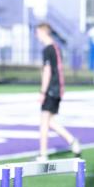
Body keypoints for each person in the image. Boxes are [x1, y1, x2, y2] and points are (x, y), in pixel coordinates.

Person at [36, 22, 81, 161]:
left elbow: (47, 71)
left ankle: (43, 154)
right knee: (50, 121)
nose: (37, 36)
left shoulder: (48, 49)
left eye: (38, 33)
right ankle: (72, 141)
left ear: (44, 32)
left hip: (51, 89)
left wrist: (43, 92)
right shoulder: (56, 47)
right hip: (58, 88)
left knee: (44, 121)